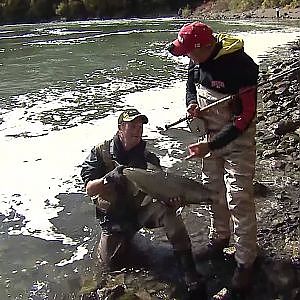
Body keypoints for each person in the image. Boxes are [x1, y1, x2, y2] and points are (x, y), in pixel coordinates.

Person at [167, 22, 259, 293]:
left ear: (204, 47)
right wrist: (191, 104)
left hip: (237, 141)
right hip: (208, 135)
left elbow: (246, 117)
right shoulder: (195, 60)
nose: (186, 56)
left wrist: (214, 145)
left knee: (238, 201)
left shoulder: (241, 66)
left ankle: (245, 263)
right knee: (213, 192)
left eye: (189, 52)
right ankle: (219, 238)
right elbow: (190, 86)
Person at [80, 108, 206, 297]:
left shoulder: (149, 159)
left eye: (140, 126)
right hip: (112, 221)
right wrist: (107, 179)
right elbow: (89, 189)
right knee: (108, 269)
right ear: (120, 128)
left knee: (168, 212)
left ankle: (189, 271)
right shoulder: (101, 152)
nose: (137, 130)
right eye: (132, 125)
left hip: (139, 214)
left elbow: (162, 191)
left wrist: (174, 201)